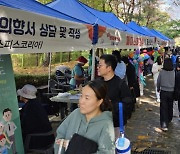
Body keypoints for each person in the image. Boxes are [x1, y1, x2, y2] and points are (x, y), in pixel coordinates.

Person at [54, 79, 115, 154]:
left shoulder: (106, 125)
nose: (81, 101)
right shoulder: (76, 114)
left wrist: (74, 147)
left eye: (87, 98)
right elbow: (60, 135)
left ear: (99, 102)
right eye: (81, 96)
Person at [97, 54, 132, 138]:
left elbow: (128, 105)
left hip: (115, 125)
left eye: (100, 65)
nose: (97, 67)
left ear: (109, 68)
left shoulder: (120, 84)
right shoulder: (97, 83)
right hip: (98, 123)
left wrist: (110, 106)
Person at [17, 84, 54, 149]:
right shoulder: (36, 104)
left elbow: (25, 127)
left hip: (38, 140)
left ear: (23, 96)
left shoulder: (29, 108)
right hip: (48, 137)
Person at [157, 58, 175, 131]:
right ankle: (169, 118)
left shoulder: (162, 72)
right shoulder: (173, 72)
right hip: (171, 91)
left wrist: (158, 88)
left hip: (163, 91)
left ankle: (164, 124)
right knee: (170, 106)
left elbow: (158, 81)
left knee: (163, 108)